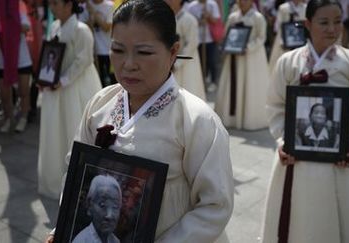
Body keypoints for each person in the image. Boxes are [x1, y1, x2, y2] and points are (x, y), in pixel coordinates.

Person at [45, 1, 233, 242]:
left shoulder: (196, 120)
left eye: (143, 52)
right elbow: (75, 174)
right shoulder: (100, 103)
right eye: (118, 50)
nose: (128, 64)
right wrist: (62, 229)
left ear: (173, 51)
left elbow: (215, 205)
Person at [261, 0, 349, 242]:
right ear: (307, 24)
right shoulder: (288, 62)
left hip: (340, 158)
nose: (332, 29)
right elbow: (275, 105)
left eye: (337, 22)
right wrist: (284, 141)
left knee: (342, 216)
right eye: (324, 22)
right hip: (297, 157)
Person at [38, 0, 102, 200]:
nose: (52, 7)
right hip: (57, 88)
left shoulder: (82, 29)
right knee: (56, 131)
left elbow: (83, 60)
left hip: (76, 87)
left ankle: (79, 183)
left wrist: (63, 80)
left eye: (57, 3)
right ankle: (57, 180)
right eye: (51, 4)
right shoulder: (55, 26)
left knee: (74, 128)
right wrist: (44, 76)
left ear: (69, 5)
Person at [215, 0, 269, 130]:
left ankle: (249, 118)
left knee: (250, 85)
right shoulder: (233, 17)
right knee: (234, 84)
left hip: (252, 58)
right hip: (234, 57)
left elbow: (262, 37)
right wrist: (227, 45)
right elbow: (227, 34)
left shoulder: (258, 17)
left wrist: (248, 47)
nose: (242, 2)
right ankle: (232, 118)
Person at [0, 7, 33, 133]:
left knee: (23, 91)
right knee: (5, 95)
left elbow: (26, 27)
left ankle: (23, 117)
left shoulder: (19, 13)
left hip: (22, 59)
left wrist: (10, 25)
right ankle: (8, 119)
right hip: (3, 61)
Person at [165, 0, 207, 100]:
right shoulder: (163, 19)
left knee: (188, 94)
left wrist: (176, 63)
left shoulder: (189, 20)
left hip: (186, 65)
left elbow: (191, 45)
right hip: (168, 65)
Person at [72, 174, 122, 243]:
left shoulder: (115, 241)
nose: (109, 215)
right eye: (102, 205)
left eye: (115, 207)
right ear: (89, 205)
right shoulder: (82, 241)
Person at [187, 0, 221, 92]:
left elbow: (216, 20)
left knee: (212, 61)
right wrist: (200, 21)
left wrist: (208, 16)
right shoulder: (191, 6)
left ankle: (214, 81)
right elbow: (189, 22)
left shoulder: (212, 4)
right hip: (198, 40)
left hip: (210, 39)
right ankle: (202, 81)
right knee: (201, 62)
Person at [268, 0, 307, 74]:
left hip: (300, 41)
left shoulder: (305, 8)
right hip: (284, 41)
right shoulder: (283, 8)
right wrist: (283, 40)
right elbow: (277, 26)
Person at [87, 0, 115, 87]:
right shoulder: (86, 5)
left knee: (109, 82)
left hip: (106, 50)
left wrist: (93, 13)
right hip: (92, 52)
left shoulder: (110, 6)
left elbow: (106, 27)